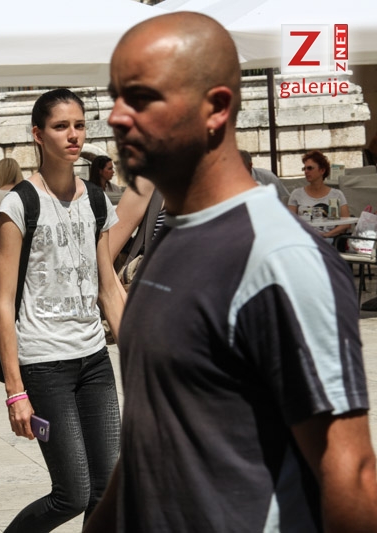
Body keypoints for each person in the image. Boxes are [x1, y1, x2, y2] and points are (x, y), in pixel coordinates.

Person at [86, 12, 377, 532]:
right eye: (116, 97)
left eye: (142, 97)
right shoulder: (172, 240)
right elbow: (155, 425)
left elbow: (350, 474)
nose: (117, 117)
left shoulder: (279, 258)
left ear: (217, 108)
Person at [0, 88, 126, 532]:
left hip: (94, 360)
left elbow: (108, 287)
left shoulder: (96, 200)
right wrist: (15, 391)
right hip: (44, 363)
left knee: (107, 490)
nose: (73, 135)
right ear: (38, 134)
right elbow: (3, 302)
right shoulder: (19, 204)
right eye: (60, 126)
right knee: (73, 493)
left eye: (79, 125)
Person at [288, 150, 351, 240]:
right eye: (304, 169)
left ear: (322, 170)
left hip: (329, 240)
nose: (306, 171)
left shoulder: (337, 194)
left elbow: (346, 223)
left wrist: (327, 235)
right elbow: (289, 222)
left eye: (310, 168)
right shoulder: (296, 194)